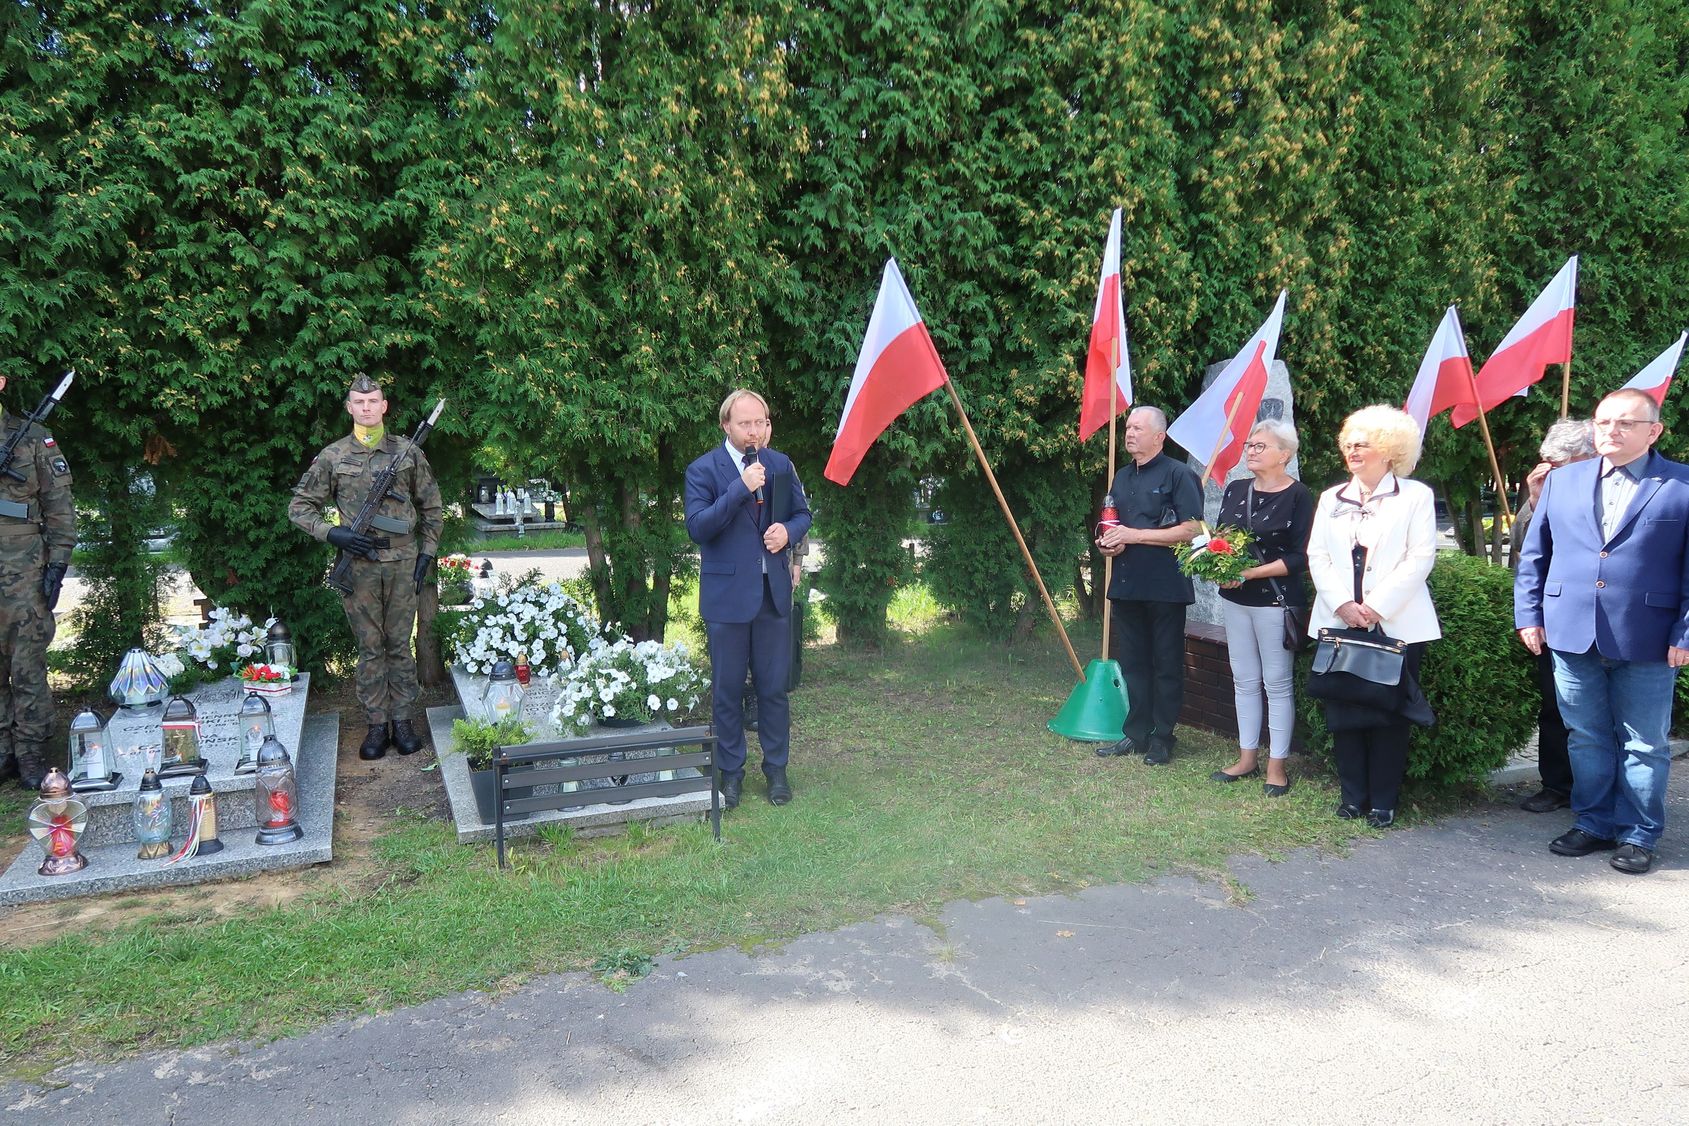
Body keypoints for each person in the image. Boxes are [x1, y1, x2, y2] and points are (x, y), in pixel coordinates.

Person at [1515, 389, 1689, 876]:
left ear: (1652, 431)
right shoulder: (1563, 482)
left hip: (1650, 636)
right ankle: (1592, 823)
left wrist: (1686, 631)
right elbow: (1535, 555)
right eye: (1603, 421)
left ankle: (1638, 833)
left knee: (1644, 742)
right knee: (1585, 735)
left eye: (1625, 423)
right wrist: (1529, 615)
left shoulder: (1681, 484)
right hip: (1571, 631)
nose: (1610, 431)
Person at [289, 374, 443, 761]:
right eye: (359, 402)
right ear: (349, 408)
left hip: (403, 562)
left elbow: (431, 508)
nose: (367, 408)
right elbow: (299, 508)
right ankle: (377, 725)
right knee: (370, 647)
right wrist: (333, 535)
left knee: (399, 645)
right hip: (358, 566)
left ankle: (403, 721)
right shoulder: (333, 456)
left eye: (373, 401)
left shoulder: (408, 453)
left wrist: (426, 554)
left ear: (384, 406)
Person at [1306, 405, 1440, 828]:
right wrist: (1343, 603)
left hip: (1396, 624)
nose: (1352, 451)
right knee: (1344, 712)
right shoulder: (1331, 498)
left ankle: (1383, 801)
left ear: (1389, 449)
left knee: (1389, 714)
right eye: (1348, 444)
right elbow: (1317, 555)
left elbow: (1420, 557)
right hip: (1340, 622)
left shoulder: (1416, 495)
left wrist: (1376, 607)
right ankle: (1352, 798)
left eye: (1362, 444)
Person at [684, 389, 812, 809]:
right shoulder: (703, 469)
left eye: (760, 422)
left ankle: (776, 770)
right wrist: (740, 487)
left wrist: (788, 533)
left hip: (772, 596)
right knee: (726, 691)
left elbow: (801, 513)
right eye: (745, 424)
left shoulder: (780, 464)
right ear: (727, 425)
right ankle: (731, 774)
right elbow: (699, 527)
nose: (754, 431)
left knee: (773, 690)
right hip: (727, 600)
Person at [1094, 406, 1203, 765]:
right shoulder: (1121, 478)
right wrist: (1110, 542)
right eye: (1128, 427)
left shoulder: (1179, 474)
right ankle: (1136, 733)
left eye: (1138, 428)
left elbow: (1192, 530)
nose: (1129, 433)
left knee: (1166, 664)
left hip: (1165, 585)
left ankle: (1163, 737)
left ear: (1159, 436)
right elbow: (1115, 525)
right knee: (1133, 664)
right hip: (1127, 583)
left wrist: (1136, 535)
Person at [1211, 419, 1314, 795]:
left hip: (1275, 600)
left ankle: (1277, 766)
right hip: (1235, 599)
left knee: (1277, 684)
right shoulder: (1237, 489)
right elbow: (1221, 538)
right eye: (1249, 445)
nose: (1250, 451)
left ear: (1283, 455)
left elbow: (1301, 556)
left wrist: (1251, 572)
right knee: (1244, 681)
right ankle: (1246, 757)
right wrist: (1219, 568)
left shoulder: (1299, 495)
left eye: (1260, 446)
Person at [1508, 418, 1596, 813]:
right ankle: (1556, 785)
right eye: (1546, 462)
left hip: (1610, 619)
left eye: (1560, 465)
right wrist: (1535, 500)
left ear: (1589, 457)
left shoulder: (1611, 489)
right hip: (1557, 618)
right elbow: (1527, 553)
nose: (1549, 470)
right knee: (1555, 706)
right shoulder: (1547, 489)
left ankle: (1600, 792)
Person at [0, 372, 75, 789]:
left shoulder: (32, 438)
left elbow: (59, 507)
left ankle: (30, 754)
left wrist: (58, 565)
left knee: (26, 665)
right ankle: (2, 752)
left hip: (23, 570)